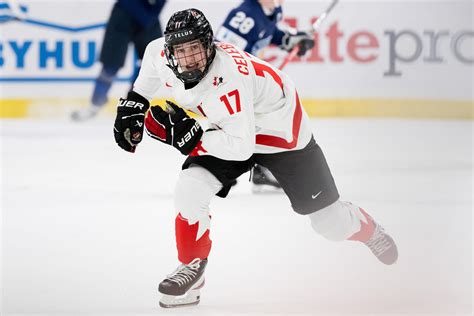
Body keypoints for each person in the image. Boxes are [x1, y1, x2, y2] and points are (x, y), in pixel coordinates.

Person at [113, 8, 398, 308]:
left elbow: (240, 148)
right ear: (169, 52)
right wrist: (134, 104)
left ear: (209, 46)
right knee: (190, 187)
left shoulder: (228, 81)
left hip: (280, 130)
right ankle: (191, 272)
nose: (189, 59)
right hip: (232, 125)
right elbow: (145, 80)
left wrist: (187, 137)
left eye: (195, 49)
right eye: (180, 51)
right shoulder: (158, 52)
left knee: (330, 224)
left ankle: (366, 228)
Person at [215, 0, 315, 192]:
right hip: (231, 81)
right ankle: (216, 171)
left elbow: (270, 33)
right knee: (238, 126)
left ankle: (260, 169)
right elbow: (221, 51)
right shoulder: (244, 16)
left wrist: (290, 40)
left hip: (249, 80)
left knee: (265, 121)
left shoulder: (273, 10)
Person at [71, 0, 166, 121]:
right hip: (124, 13)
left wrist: (151, 15)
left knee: (151, 63)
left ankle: (133, 106)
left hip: (149, 16)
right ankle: (94, 105)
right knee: (111, 65)